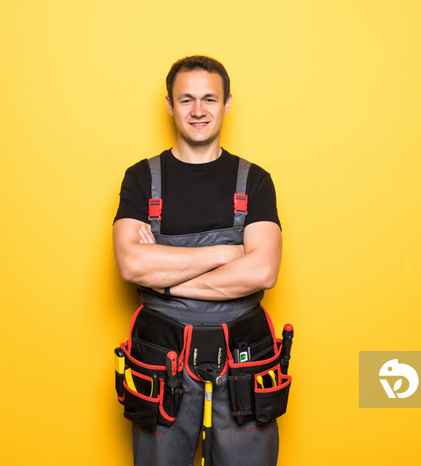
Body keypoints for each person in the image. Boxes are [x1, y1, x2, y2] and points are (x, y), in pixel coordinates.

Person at [113, 55, 286, 466]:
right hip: (162, 359)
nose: (197, 110)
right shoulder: (141, 179)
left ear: (226, 104)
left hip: (243, 359)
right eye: (186, 99)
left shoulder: (255, 180)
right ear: (170, 105)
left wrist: (166, 278)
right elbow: (131, 265)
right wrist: (227, 254)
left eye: (209, 98)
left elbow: (263, 271)